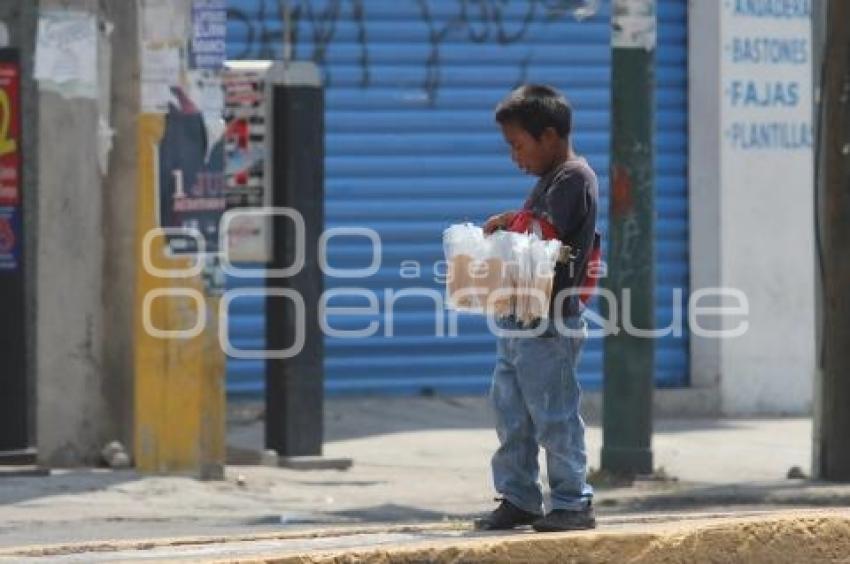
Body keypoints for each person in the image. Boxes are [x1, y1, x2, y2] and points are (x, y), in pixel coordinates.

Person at [474, 84, 598, 533]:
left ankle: (572, 500)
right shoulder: (550, 181)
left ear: (549, 136)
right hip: (520, 318)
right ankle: (519, 497)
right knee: (512, 413)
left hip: (549, 322)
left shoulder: (573, 178)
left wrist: (511, 222)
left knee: (554, 413)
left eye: (517, 145)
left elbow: (545, 235)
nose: (514, 157)